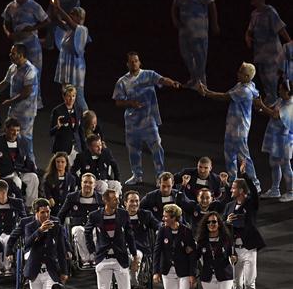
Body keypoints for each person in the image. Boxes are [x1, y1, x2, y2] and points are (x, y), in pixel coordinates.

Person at [112, 51, 182, 185]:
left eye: (136, 61)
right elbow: (118, 101)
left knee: (156, 147)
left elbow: (161, 80)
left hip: (149, 120)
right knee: (133, 149)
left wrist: (171, 82)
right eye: (131, 61)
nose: (134, 63)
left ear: (139, 62)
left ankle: (160, 175)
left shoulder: (148, 75)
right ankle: (137, 175)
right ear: (127, 64)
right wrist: (130, 103)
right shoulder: (122, 81)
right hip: (132, 122)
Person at [196, 62, 260, 190]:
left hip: (239, 129)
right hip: (232, 127)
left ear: (247, 76)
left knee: (243, 158)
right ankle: (233, 181)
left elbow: (224, 97)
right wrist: (206, 90)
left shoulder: (245, 90)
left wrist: (206, 94)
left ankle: (254, 184)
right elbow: (226, 94)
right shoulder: (242, 85)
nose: (238, 73)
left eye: (241, 72)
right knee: (229, 155)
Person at [84, 189, 136, 289]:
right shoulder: (94, 215)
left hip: (120, 258)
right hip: (103, 259)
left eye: (118, 198)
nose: (117, 201)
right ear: (106, 200)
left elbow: (129, 235)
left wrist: (133, 254)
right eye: (114, 199)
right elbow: (87, 232)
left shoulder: (123, 214)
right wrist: (93, 250)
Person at [223, 167, 265, 289]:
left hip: (249, 249)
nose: (231, 190)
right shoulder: (229, 206)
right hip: (234, 251)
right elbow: (220, 225)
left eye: (233, 187)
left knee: (249, 281)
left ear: (241, 190)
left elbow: (254, 192)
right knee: (236, 282)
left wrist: (245, 175)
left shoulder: (251, 204)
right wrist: (227, 221)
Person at [2, 0, 49, 109]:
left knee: (35, 72)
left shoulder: (33, 5)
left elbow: (46, 21)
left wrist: (33, 28)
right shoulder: (11, 6)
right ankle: (19, 98)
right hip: (18, 44)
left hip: (32, 44)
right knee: (19, 71)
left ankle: (36, 101)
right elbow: (5, 22)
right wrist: (8, 33)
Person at [0, 44, 40, 165]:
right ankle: (9, 162)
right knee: (9, 135)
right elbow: (5, 82)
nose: (10, 55)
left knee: (25, 139)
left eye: (13, 53)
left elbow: (26, 93)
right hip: (14, 109)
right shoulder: (13, 67)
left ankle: (31, 165)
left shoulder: (30, 71)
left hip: (26, 112)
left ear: (21, 55)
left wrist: (9, 102)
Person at [171, 0, 219, 88]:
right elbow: (174, 6)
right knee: (186, 54)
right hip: (184, 29)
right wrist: (175, 20)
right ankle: (194, 77)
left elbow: (211, 5)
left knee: (200, 56)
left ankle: (202, 82)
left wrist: (214, 23)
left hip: (199, 30)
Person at [0, 117, 40, 208]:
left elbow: (27, 160)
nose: (15, 133)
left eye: (17, 130)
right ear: (6, 129)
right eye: (12, 130)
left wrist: (33, 170)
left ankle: (30, 207)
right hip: (3, 174)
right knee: (17, 182)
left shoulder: (23, 142)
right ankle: (17, 207)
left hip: (18, 172)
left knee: (33, 178)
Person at [23, 199, 69, 289]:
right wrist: (40, 230)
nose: (46, 215)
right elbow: (27, 244)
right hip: (34, 271)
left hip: (50, 270)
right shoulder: (30, 226)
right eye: (42, 212)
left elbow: (61, 249)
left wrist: (64, 271)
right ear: (36, 213)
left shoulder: (56, 226)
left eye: (48, 212)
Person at [246, 0, 290, 109]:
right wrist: (247, 37)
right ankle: (270, 97)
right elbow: (250, 29)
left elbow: (280, 28)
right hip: (260, 51)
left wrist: (289, 40)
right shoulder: (254, 14)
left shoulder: (270, 12)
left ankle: (274, 99)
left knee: (271, 77)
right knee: (263, 75)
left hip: (272, 52)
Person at [256, 82, 293, 201]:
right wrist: (261, 108)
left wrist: (261, 105)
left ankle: (291, 191)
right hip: (275, 138)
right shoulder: (280, 100)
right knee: (274, 163)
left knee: (285, 166)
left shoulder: (290, 105)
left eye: (282, 90)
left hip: (284, 140)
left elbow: (275, 115)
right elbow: (271, 109)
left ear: (288, 92)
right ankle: (275, 189)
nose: (279, 91)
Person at [51, 2, 90, 112]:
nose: (70, 15)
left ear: (79, 17)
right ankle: (73, 120)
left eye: (73, 14)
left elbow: (69, 21)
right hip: (66, 66)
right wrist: (54, 9)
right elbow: (58, 20)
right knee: (67, 95)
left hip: (75, 68)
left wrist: (59, 8)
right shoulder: (68, 30)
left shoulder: (82, 30)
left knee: (78, 96)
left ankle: (88, 122)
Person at [58, 172, 101, 267]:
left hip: (94, 227)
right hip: (78, 225)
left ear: (94, 184)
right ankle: (85, 259)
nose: (87, 185)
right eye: (85, 182)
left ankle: (94, 257)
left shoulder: (100, 198)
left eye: (90, 182)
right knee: (79, 230)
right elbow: (61, 214)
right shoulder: (72, 197)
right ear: (81, 183)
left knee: (95, 231)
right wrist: (57, 227)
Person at [125, 190, 160, 288]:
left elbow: (157, 224)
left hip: (140, 247)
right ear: (125, 203)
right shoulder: (119, 215)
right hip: (123, 248)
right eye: (131, 201)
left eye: (137, 201)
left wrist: (159, 230)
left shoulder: (146, 215)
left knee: (136, 255)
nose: (135, 204)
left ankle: (132, 281)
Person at [49, 85, 84, 162]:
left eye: (73, 96)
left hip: (76, 148)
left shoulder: (79, 109)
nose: (71, 98)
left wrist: (84, 149)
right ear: (63, 96)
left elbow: (81, 130)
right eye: (69, 96)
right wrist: (57, 127)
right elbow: (51, 132)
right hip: (62, 148)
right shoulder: (57, 111)